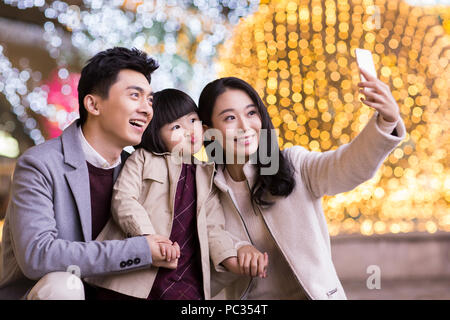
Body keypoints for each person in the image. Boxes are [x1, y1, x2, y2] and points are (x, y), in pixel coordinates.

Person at [197, 68, 406, 300]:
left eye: (251, 113)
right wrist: (236, 250)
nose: (245, 126)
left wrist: (386, 122)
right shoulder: (204, 190)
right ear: (209, 133)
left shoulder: (294, 165)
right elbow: (205, 248)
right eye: (229, 118)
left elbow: (347, 165)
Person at [0, 47, 176, 300]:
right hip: (46, 293)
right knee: (64, 284)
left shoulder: (140, 170)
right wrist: (140, 250)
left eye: (149, 100)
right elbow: (37, 256)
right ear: (93, 104)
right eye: (135, 95)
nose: (147, 109)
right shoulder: (39, 164)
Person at [85, 88, 268, 300]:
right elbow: (123, 199)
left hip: (184, 275)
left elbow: (213, 226)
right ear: (156, 133)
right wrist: (147, 237)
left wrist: (229, 257)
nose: (190, 131)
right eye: (176, 127)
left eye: (193, 120)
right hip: (136, 273)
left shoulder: (207, 173)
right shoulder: (144, 159)